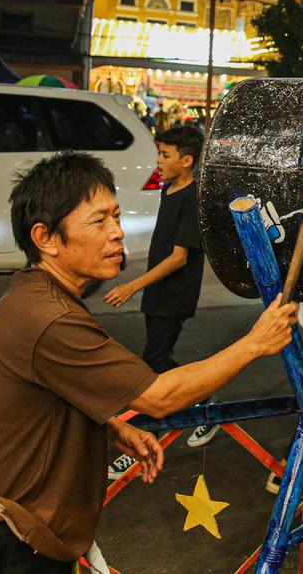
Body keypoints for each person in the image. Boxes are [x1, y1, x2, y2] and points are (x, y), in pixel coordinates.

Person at [0, 151, 296, 573]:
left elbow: (44, 396)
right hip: (3, 543)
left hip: (18, 533)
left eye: (116, 216)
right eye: (99, 221)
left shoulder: (37, 296)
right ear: (46, 238)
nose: (117, 233)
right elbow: (161, 397)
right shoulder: (49, 317)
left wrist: (109, 426)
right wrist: (254, 343)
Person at [104, 126, 216, 449]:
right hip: (158, 290)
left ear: (186, 161)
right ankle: (205, 405)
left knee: (152, 365)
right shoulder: (169, 190)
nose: (159, 160)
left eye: (165, 155)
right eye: (159, 153)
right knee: (159, 361)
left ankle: (145, 438)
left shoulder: (192, 199)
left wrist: (132, 286)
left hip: (175, 292)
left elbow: (179, 258)